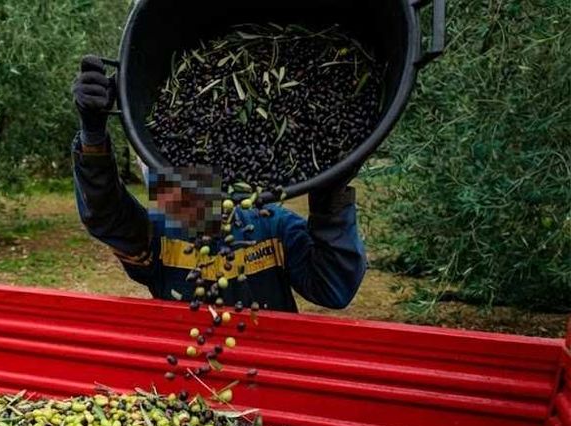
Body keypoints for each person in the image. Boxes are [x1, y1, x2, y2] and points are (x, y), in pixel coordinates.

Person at [71, 56, 367, 312]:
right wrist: (92, 136)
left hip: (265, 359)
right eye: (152, 166)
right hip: (190, 360)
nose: (162, 179)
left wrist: (329, 198)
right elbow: (106, 217)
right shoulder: (157, 238)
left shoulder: (272, 226)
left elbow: (334, 288)